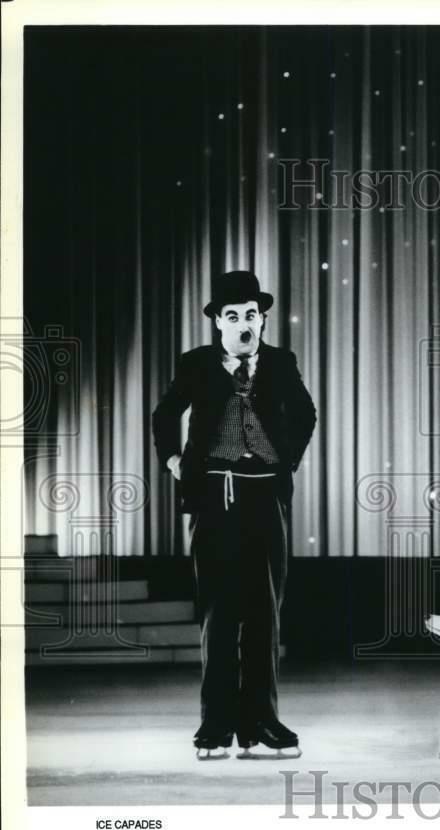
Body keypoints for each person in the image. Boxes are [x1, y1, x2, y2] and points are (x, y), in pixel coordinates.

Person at [152, 270, 316, 760]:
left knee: (264, 610)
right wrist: (173, 460)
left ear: (262, 320)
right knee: (220, 613)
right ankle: (217, 724)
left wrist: (286, 457)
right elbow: (165, 415)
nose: (243, 324)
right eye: (232, 316)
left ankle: (261, 721)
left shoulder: (281, 363)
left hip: (265, 498)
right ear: (218, 323)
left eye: (251, 315)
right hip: (214, 499)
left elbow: (306, 414)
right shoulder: (197, 365)